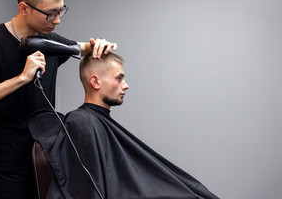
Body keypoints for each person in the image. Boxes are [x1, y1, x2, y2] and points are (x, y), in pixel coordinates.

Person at [0, 0, 116, 199]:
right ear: (24, 8)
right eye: (50, 14)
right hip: (6, 167)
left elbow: (81, 47)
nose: (58, 20)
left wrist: (98, 44)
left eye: (60, 11)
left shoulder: (49, 41)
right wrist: (21, 78)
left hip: (44, 158)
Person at [29, 52, 219, 199]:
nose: (125, 85)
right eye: (119, 78)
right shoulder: (81, 122)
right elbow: (91, 189)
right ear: (95, 81)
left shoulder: (95, 121)